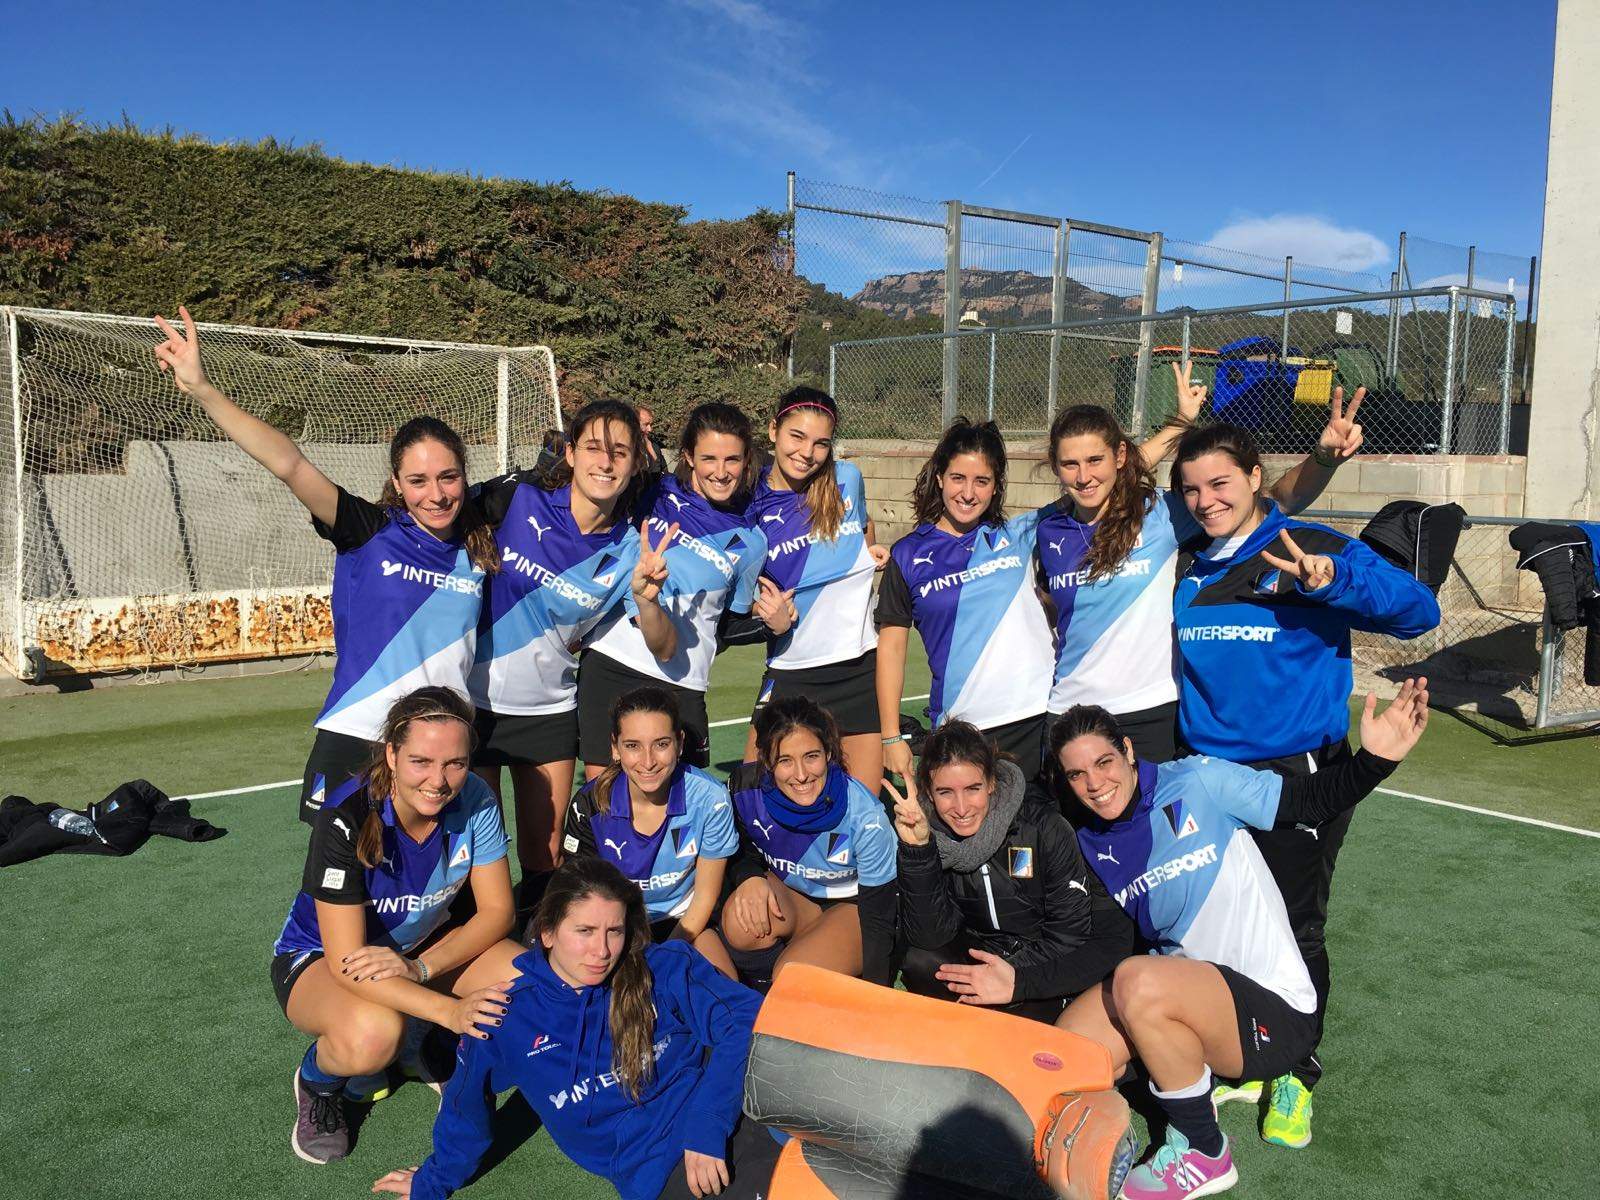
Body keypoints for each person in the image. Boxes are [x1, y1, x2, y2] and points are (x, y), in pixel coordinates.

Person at [1169, 420, 1441, 1146]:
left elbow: (1421, 613)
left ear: (1256, 478)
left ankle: (1295, 1069)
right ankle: (1244, 1051)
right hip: (1207, 777)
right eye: (1192, 489)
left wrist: (1332, 583)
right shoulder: (1187, 563)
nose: (1206, 500)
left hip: (1299, 775)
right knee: (1218, 927)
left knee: (1295, 928)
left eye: (1220, 483)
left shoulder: (1308, 545)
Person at [1048, 681, 1430, 1199]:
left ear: (1129, 752)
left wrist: (1374, 762)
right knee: (1067, 1052)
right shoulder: (1092, 840)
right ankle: (1121, 1126)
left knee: (1136, 981)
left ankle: (1203, 1151)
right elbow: (1112, 941)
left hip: (1274, 1011)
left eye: (1105, 762)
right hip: (1193, 1005)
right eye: (1078, 773)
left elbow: (1307, 801)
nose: (1095, 783)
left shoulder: (1200, 782)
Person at [150, 307, 501, 823]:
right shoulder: (370, 530)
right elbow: (289, 463)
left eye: (448, 477)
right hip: (359, 733)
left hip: (440, 747)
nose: (437, 493)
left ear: (465, 478)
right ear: (398, 484)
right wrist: (203, 389)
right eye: (419, 480)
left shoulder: (478, 547)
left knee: (434, 886)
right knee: (338, 888)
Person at [371, 857, 779, 1200]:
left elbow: (746, 1019)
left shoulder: (663, 966)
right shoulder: (506, 1018)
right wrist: (434, 1180)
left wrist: (707, 1125)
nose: (602, 951)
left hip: (738, 1109)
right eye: (584, 931)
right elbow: (465, 1107)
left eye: (614, 931)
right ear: (547, 933)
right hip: (661, 1168)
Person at [1036, 367, 1365, 762]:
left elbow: (1276, 499)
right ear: (1055, 466)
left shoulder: (1162, 513)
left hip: (1151, 709)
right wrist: (1180, 422)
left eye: (1094, 460)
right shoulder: (1043, 527)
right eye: (1069, 464)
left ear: (1119, 457)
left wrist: (1323, 460)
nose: (1084, 475)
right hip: (1068, 709)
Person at [270, 687, 517, 1166]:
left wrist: (420, 969)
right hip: (321, 959)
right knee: (371, 1037)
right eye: (421, 761)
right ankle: (318, 1082)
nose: (439, 781)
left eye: (456, 764)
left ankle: (424, 1043)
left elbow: (497, 913)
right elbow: (346, 965)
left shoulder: (478, 799)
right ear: (391, 753)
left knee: (528, 979)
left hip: (418, 948)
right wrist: (452, 1011)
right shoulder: (348, 814)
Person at [469, 399, 677, 911]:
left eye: (620, 452)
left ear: (635, 465)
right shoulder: (519, 500)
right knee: (471, 858)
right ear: (570, 453)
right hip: (470, 706)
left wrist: (648, 600)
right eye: (593, 448)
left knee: (543, 859)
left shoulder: (633, 548)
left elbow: (663, 644)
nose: (605, 463)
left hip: (547, 713)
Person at [578, 402, 792, 777]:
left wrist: (770, 622)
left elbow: (728, 625)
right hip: (612, 662)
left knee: (680, 810)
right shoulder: (652, 491)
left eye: (733, 460)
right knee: (604, 805)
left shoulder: (752, 541)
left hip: (683, 682)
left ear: (747, 461)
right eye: (709, 458)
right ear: (689, 457)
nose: (721, 472)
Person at [884, 721, 1132, 1024]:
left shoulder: (1043, 827)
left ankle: (989, 1026)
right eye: (945, 792)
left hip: (1039, 968)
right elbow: (930, 936)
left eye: (973, 789)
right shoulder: (930, 832)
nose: (961, 808)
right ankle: (974, 1027)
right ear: (929, 794)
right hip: (982, 960)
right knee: (918, 960)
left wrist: (1008, 973)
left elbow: (1069, 934)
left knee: (1025, 1037)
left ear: (991, 783)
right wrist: (919, 851)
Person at [876, 419, 1054, 775]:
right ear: (940, 477)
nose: (968, 493)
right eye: (958, 478)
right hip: (964, 727)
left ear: (996, 487)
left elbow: (1094, 480)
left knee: (1047, 829)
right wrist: (891, 737)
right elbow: (892, 649)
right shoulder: (908, 555)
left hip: (1040, 716)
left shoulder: (1021, 536)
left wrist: (1178, 425)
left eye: (981, 481)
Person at [742, 386, 890, 796]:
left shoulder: (847, 479)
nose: (807, 452)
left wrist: (866, 554)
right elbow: (740, 589)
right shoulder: (750, 502)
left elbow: (861, 529)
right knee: (753, 795)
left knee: (862, 809)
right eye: (797, 436)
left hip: (859, 667)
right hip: (792, 666)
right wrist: (763, 616)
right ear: (773, 430)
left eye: (821, 443)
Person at [720, 695, 898, 988]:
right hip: (797, 899)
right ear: (766, 760)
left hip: (855, 909)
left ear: (829, 752)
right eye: (785, 761)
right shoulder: (743, 789)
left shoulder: (865, 816)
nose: (801, 775)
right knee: (741, 924)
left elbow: (880, 917)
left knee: (791, 976)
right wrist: (749, 876)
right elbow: (739, 844)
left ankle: (806, 973)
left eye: (811, 757)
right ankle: (764, 994)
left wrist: (877, 992)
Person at [562, 686, 740, 977]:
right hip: (614, 925)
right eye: (632, 745)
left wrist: (663, 955)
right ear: (615, 748)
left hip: (684, 920)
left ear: (680, 743)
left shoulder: (711, 799)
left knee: (725, 995)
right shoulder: (589, 805)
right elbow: (584, 900)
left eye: (661, 744)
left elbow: (705, 897)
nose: (647, 761)